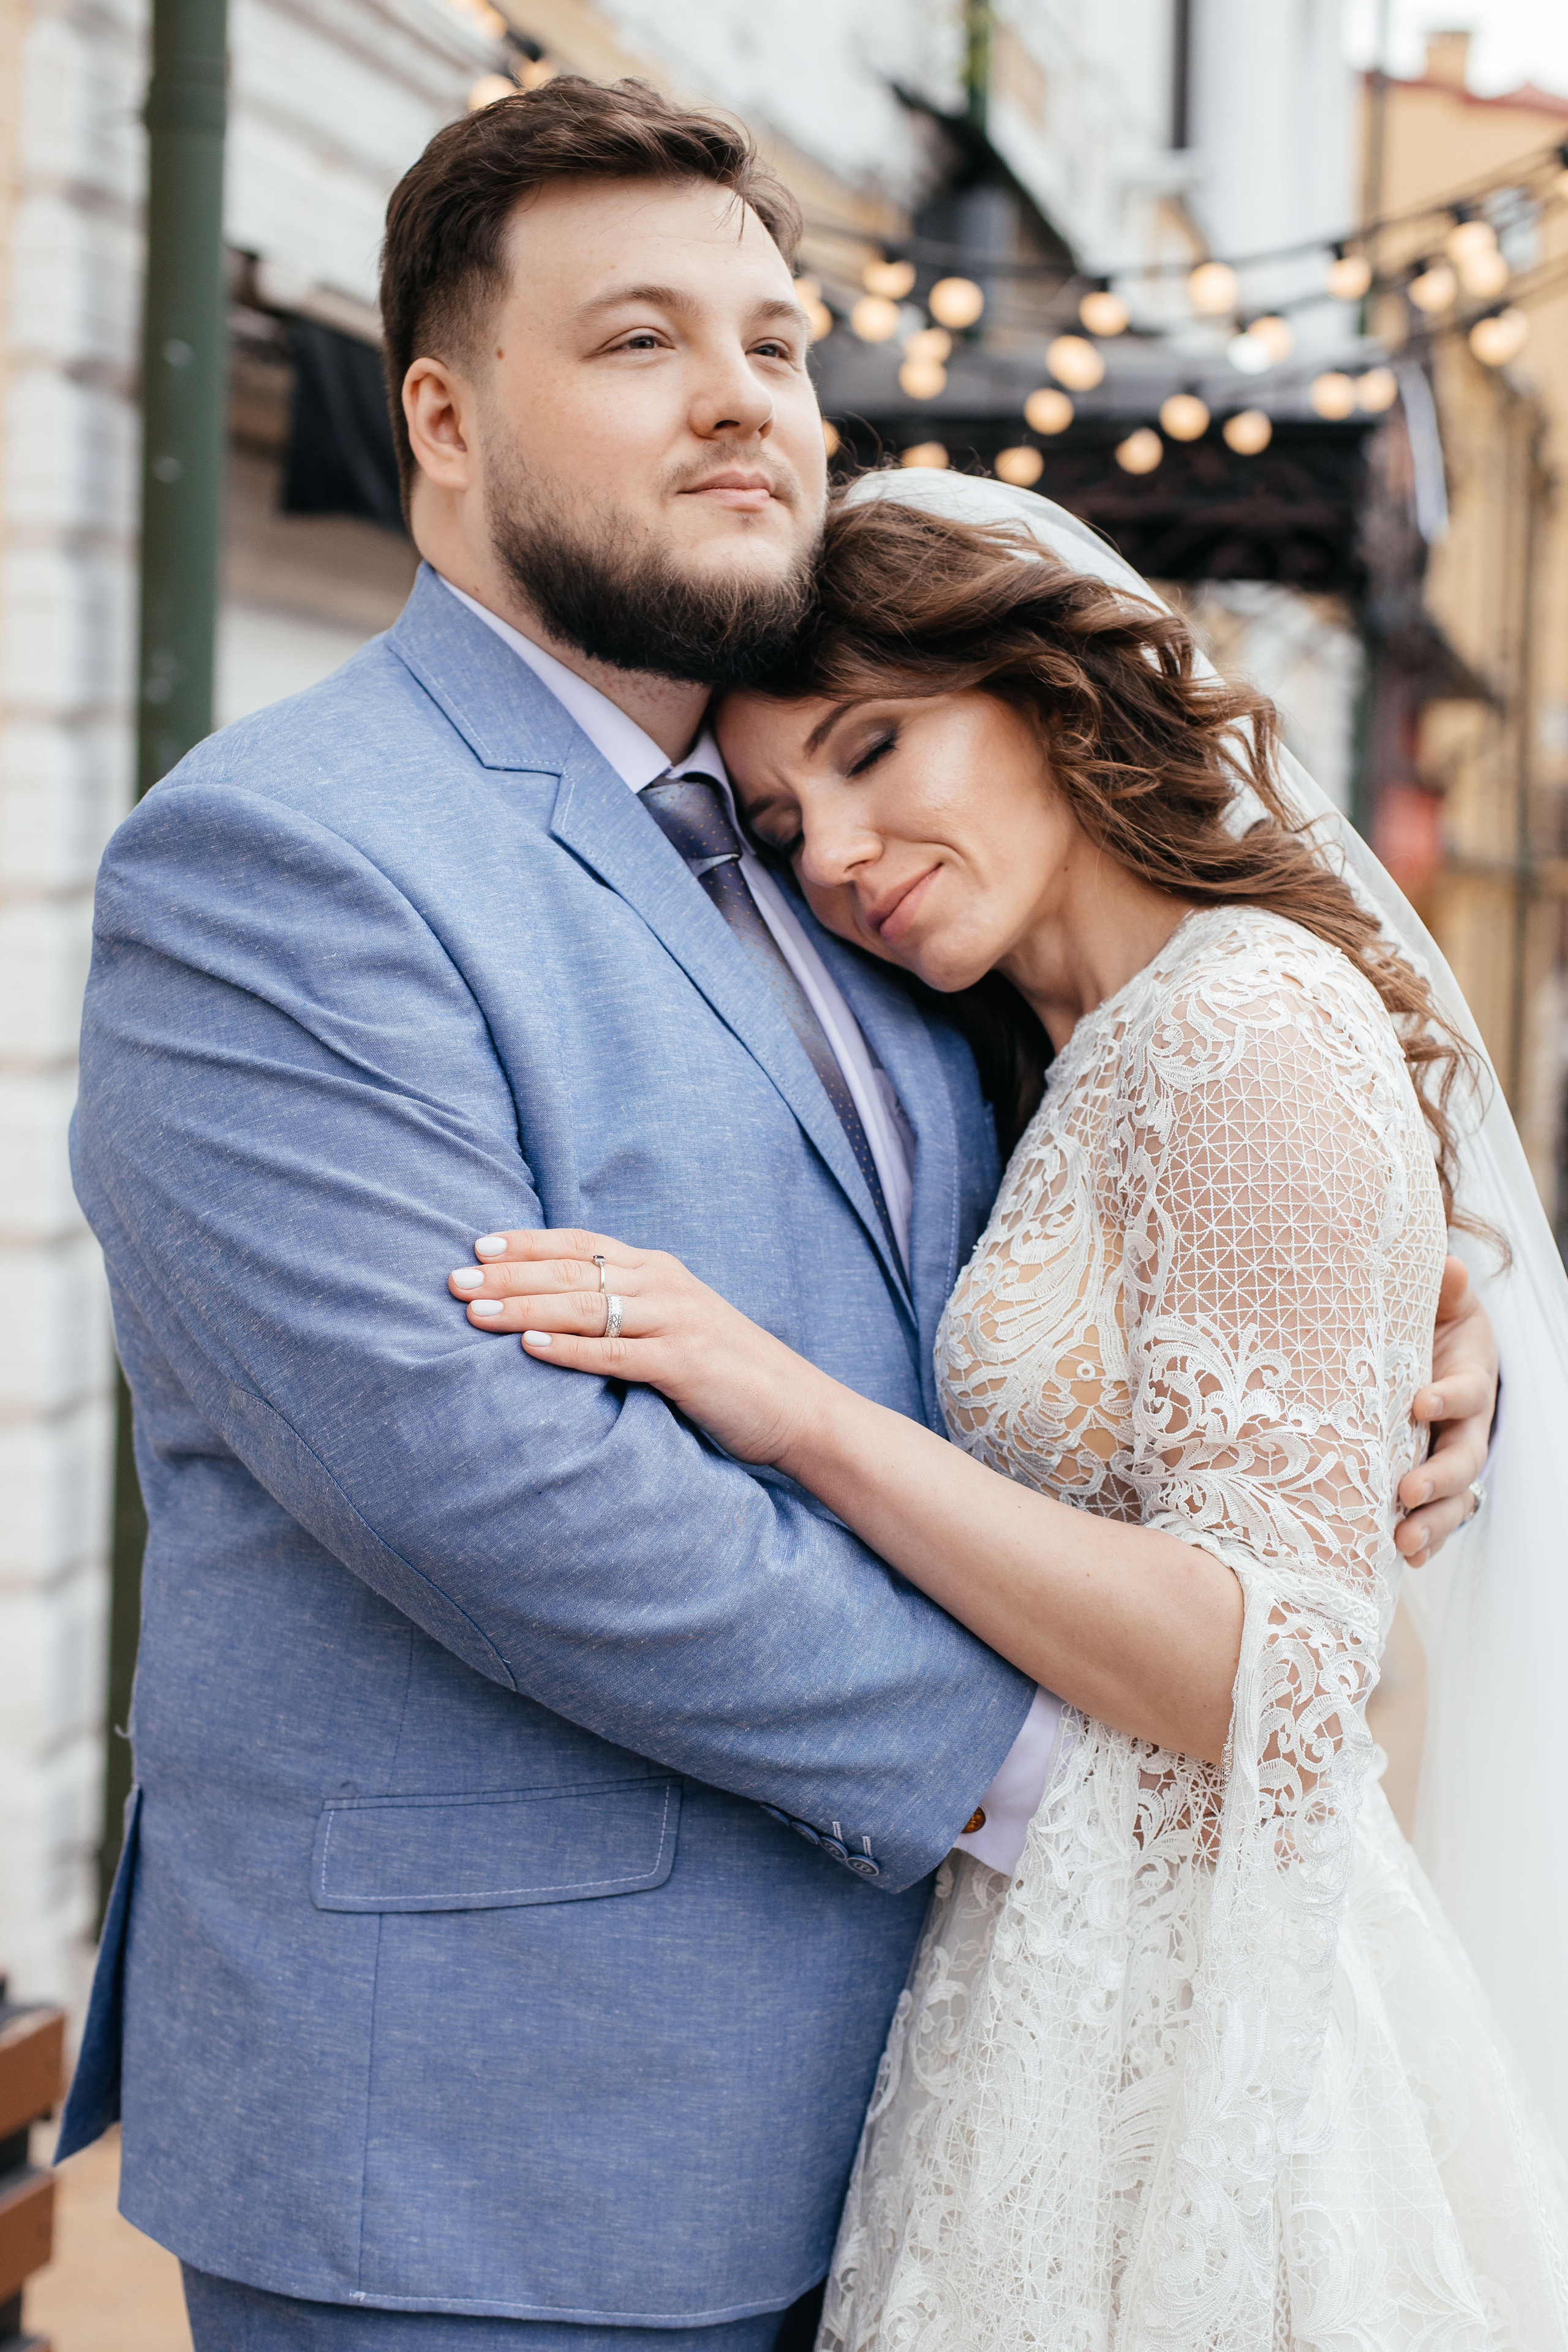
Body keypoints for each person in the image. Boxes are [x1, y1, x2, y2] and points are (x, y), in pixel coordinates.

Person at [58, 79, 1496, 2351]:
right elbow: (491, 1477)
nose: (744, 398)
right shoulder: (283, 861)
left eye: (781, 341)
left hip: (935, 2127)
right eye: (639, 342)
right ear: (441, 416)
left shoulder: (863, 860)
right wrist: (1051, 1783)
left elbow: (1142, 1218)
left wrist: (1405, 1336)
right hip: (491, 2149)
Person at [451, 472, 1568, 2348]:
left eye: (880, 749)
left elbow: (1275, 1675)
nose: (839, 856)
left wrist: (782, 1403)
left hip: (1217, 2031)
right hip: (1054, 1979)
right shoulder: (1057, 1061)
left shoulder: (1239, 1021)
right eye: (794, 818)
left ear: (1046, 695)